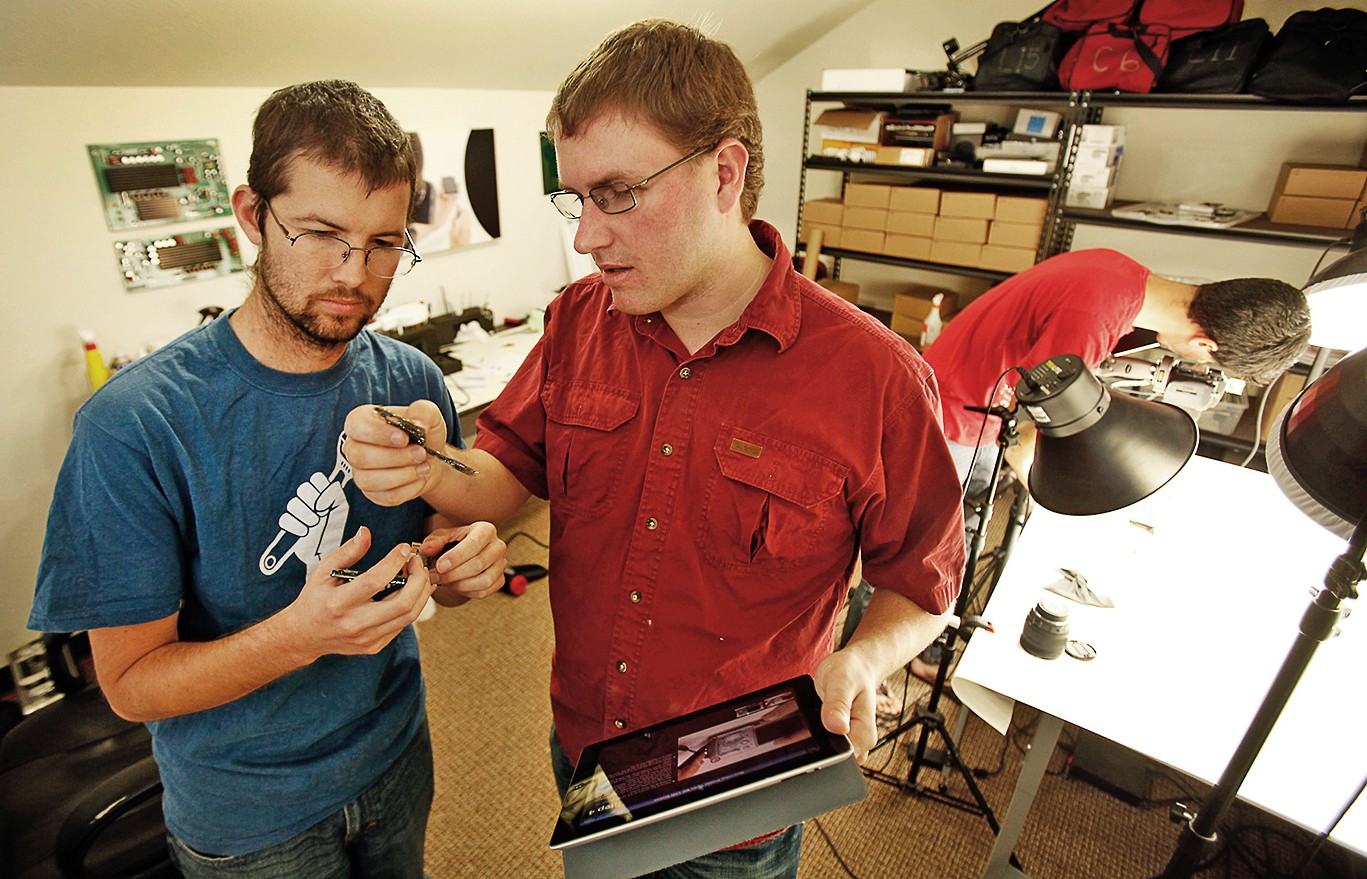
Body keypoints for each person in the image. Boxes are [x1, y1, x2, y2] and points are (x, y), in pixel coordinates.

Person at [341, 19, 965, 879]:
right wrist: (427, 458)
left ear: (724, 173)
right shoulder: (576, 321)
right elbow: (503, 473)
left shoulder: (877, 378)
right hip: (587, 747)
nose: (586, 238)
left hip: (734, 784)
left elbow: (923, 585)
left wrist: (864, 654)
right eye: (576, 200)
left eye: (617, 194)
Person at [28, 80, 507, 877]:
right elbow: (131, 685)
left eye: (385, 243)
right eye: (320, 234)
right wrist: (300, 635)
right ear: (252, 215)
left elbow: (436, 548)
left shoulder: (411, 380)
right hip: (249, 813)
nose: (354, 274)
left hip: (395, 753)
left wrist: (462, 563)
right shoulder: (133, 424)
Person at [904, 247, 1312, 681]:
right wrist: (1069, 512)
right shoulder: (1092, 321)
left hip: (974, 396)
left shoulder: (1123, 275)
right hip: (956, 407)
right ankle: (870, 667)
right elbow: (1024, 443)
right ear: (1204, 345)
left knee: (958, 534)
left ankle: (921, 647)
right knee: (918, 546)